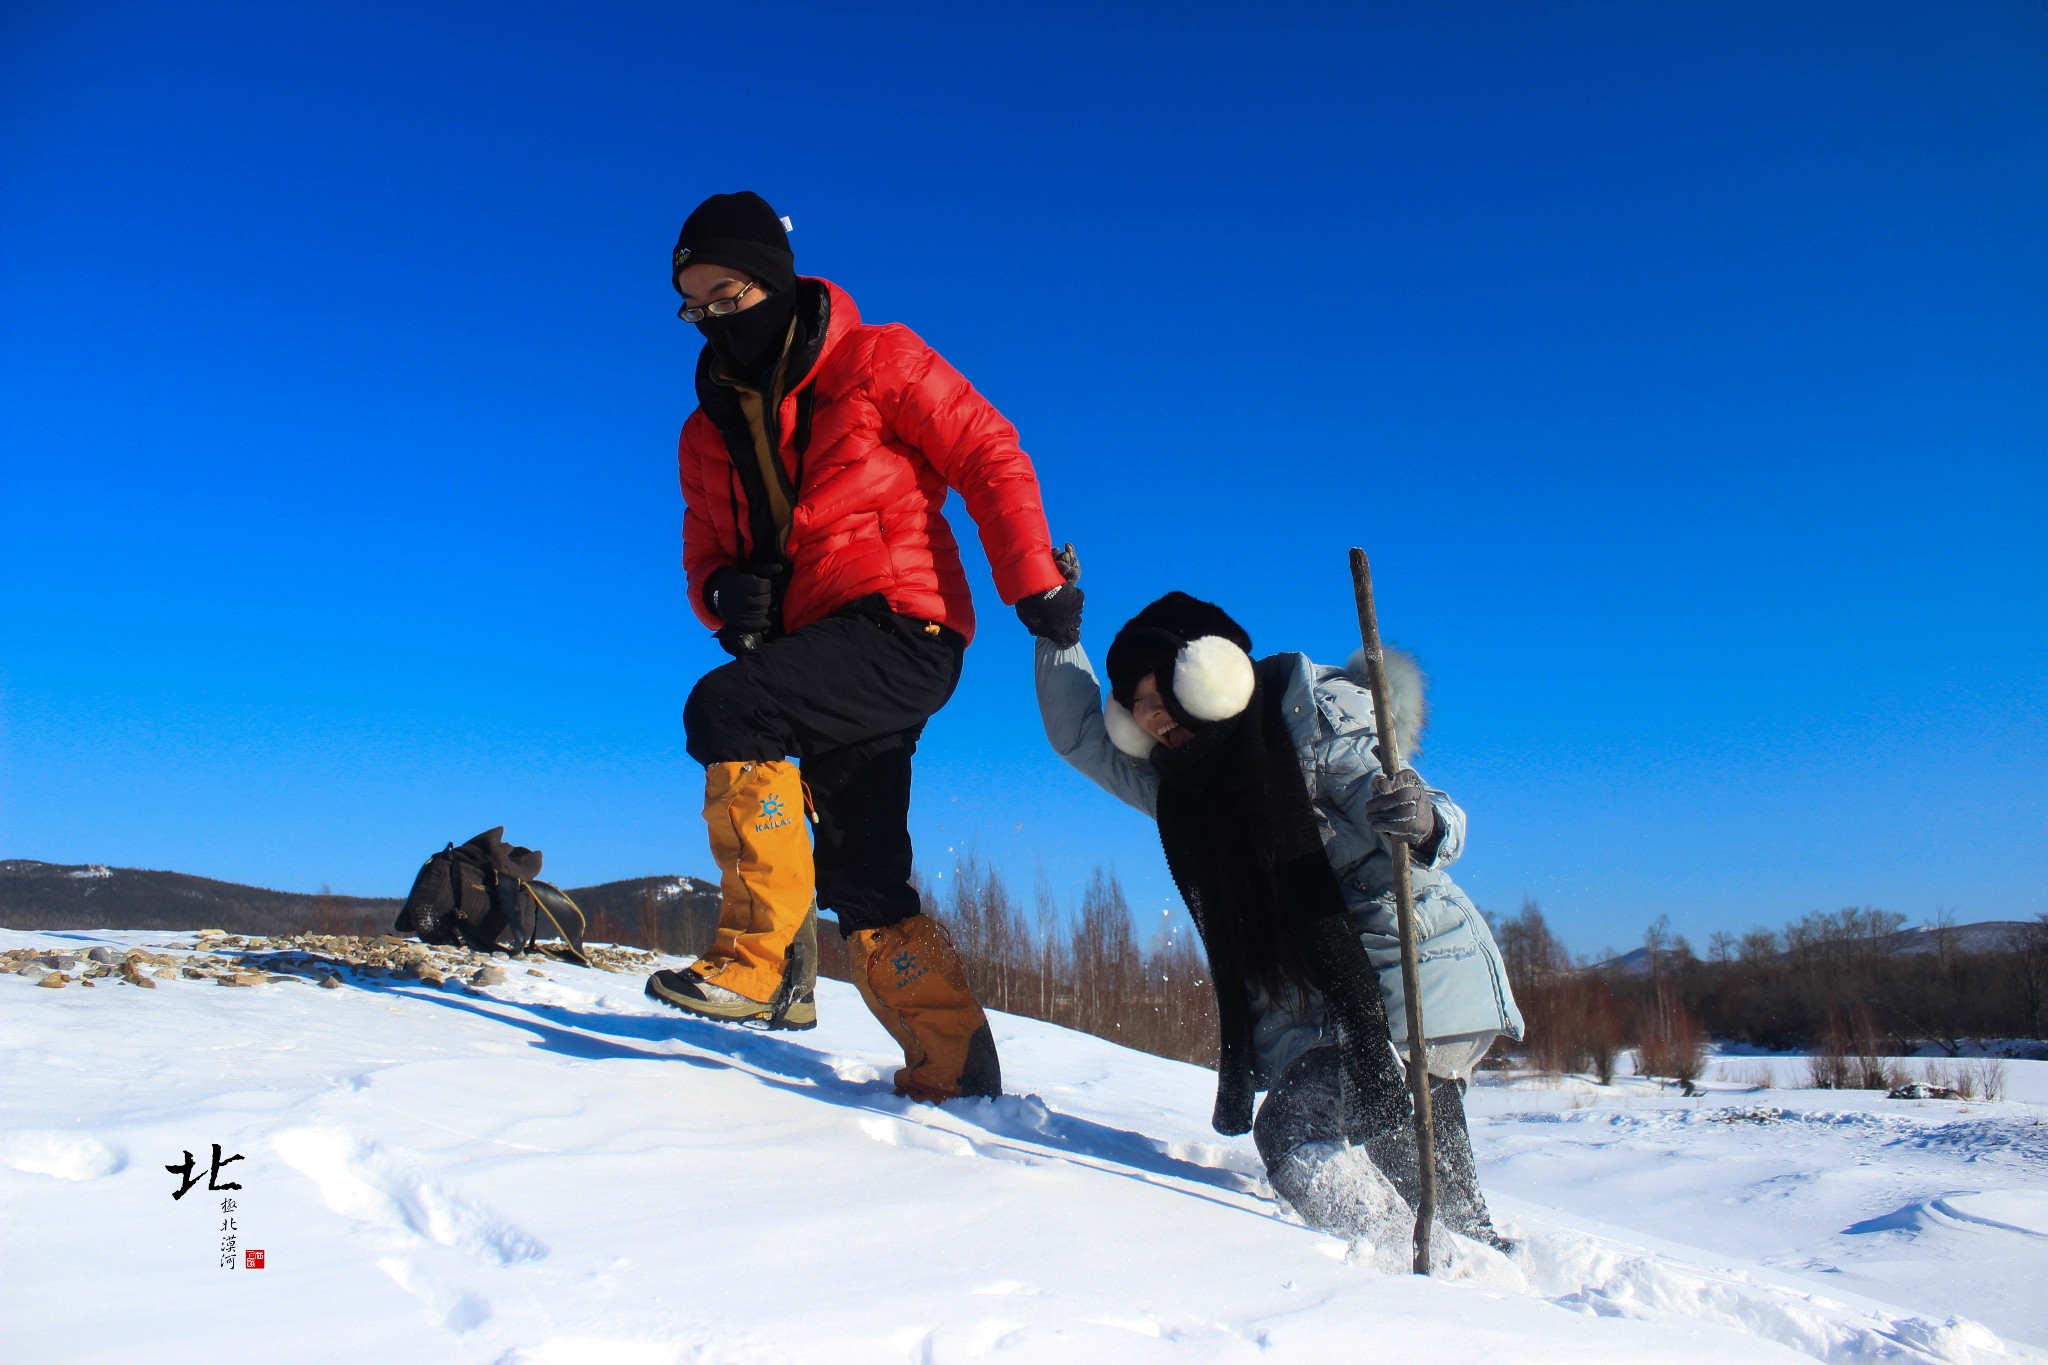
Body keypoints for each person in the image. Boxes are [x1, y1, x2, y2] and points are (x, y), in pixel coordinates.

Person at [645, 190, 1082, 1103]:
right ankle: (956, 1067)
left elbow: (987, 450)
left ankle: (759, 957)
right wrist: (723, 593)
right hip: (821, 653)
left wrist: (1032, 578)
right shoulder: (705, 431)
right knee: (863, 871)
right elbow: (706, 558)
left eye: (731, 296)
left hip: (903, 625)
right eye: (697, 305)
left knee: (728, 707)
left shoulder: (879, 357)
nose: (717, 319)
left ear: (773, 280)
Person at [1034, 575, 1523, 1245]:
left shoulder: (1313, 719)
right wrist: (1058, 637)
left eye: (1157, 691)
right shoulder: (1182, 791)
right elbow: (1084, 738)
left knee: (1296, 1132)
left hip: (1408, 974)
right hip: (1323, 1010)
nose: (1148, 715)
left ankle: (1401, 1267)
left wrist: (1424, 821)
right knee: (1422, 1179)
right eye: (1135, 703)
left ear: (1201, 673)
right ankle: (1473, 1271)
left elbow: (1430, 812)